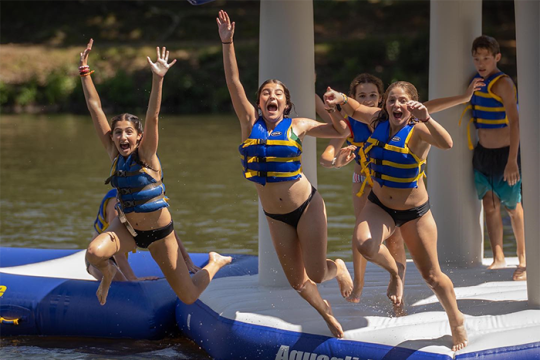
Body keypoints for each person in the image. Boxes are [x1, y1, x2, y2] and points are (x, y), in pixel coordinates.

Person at [216, 10, 353, 338]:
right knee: (297, 281)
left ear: (287, 104)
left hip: (306, 206)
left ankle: (340, 267)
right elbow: (234, 83)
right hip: (275, 215)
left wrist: (332, 106)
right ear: (259, 103)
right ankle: (328, 315)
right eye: (266, 93)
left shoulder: (299, 125)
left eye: (278, 94)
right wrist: (228, 42)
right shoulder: (250, 123)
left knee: (318, 274)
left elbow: (342, 130)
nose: (271, 97)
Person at [80, 39, 231, 306]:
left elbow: (153, 115)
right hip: (127, 229)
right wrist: (85, 73)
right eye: (117, 132)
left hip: (160, 233)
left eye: (129, 132)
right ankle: (108, 274)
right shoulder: (115, 155)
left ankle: (215, 263)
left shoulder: (147, 156)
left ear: (139, 137)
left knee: (188, 296)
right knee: (93, 253)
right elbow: (95, 108)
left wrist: (158, 79)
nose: (122, 137)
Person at [316, 74, 483, 311]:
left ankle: (442, 311)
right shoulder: (364, 121)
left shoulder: (415, 125)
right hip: (371, 189)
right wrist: (340, 99)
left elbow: (444, 138)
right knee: (363, 240)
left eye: (374, 95)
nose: (396, 105)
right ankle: (374, 280)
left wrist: (454, 103)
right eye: (391, 100)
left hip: (408, 202)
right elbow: (349, 115)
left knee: (418, 263)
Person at [461, 35, 525, 281]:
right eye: (477, 58)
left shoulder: (502, 83)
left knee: (513, 206)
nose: (481, 63)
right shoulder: (475, 81)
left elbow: (515, 121)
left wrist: (512, 160)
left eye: (486, 58)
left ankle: (523, 259)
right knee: (488, 204)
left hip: (504, 154)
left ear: (497, 57)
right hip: (483, 152)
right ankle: (498, 257)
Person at [87, 188, 201, 282]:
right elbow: (115, 246)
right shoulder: (115, 202)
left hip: (121, 255)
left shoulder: (149, 196)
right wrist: (132, 278)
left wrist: (187, 260)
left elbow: (168, 231)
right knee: (125, 287)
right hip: (102, 259)